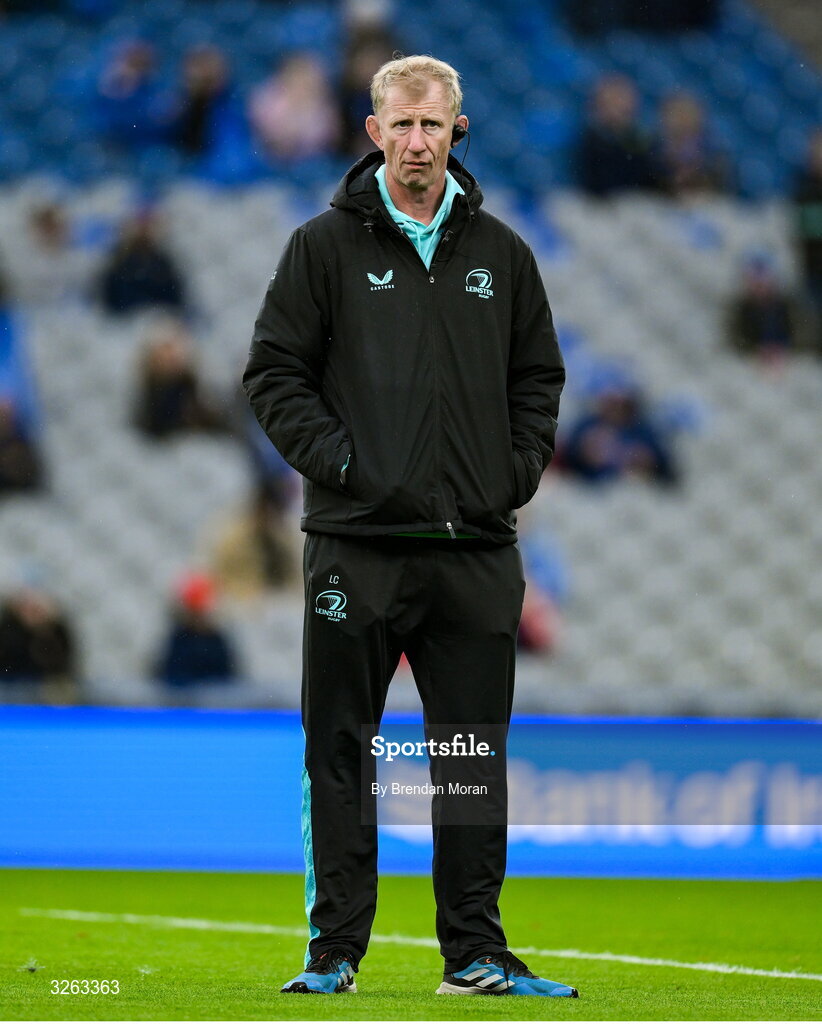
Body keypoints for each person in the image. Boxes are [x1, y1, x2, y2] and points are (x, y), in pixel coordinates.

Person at [243, 55, 577, 999]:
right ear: (373, 129)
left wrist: (506, 476)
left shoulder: (503, 255)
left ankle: (473, 954)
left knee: (469, 759)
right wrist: (351, 469)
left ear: (456, 131)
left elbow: (538, 383)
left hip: (474, 550)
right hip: (358, 544)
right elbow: (272, 375)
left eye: (433, 127)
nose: (418, 142)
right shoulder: (322, 248)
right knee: (340, 747)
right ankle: (333, 951)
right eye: (402, 125)